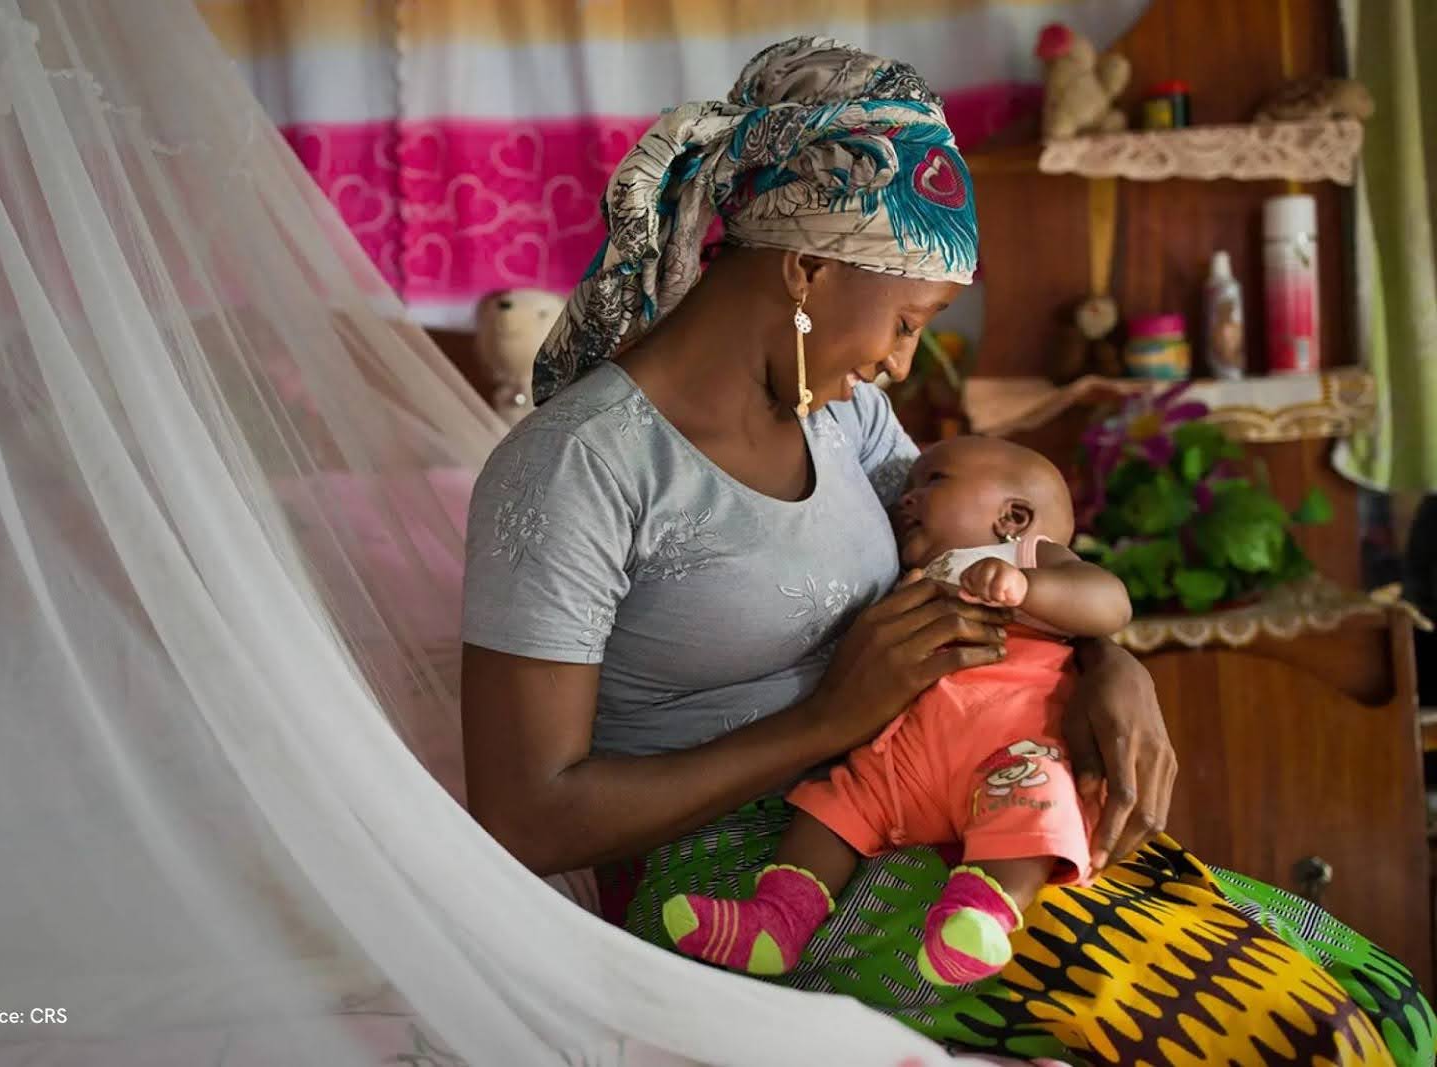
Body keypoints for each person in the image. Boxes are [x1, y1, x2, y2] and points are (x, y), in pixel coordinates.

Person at [461, 36, 1429, 1066]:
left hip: (942, 799)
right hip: (745, 864)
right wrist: (827, 717)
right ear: (809, 268)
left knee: (1388, 997)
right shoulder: (577, 466)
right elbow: (528, 815)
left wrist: (1113, 661)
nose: (898, 360)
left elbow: (1003, 554)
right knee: (1310, 1037)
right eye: (908, 320)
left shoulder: (847, 422)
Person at [663, 436, 1132, 987]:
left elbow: (1110, 603)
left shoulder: (1025, 558)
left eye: (934, 481)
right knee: (829, 807)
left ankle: (981, 915)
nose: (907, 499)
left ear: (1014, 517)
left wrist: (1027, 586)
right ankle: (778, 920)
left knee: (1037, 799)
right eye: (907, 488)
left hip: (1008, 755)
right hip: (901, 765)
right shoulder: (912, 577)